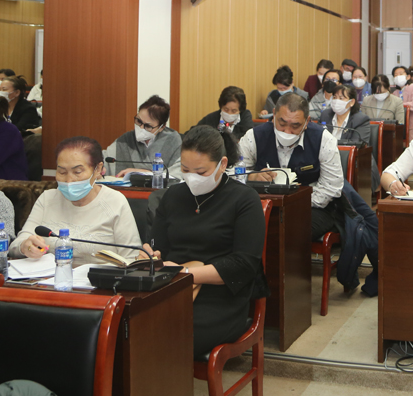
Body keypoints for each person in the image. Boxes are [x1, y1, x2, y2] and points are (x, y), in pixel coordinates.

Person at [146, 125, 267, 359]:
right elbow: (159, 249)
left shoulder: (244, 199)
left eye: (201, 172)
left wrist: (184, 273)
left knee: (166, 335)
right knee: (131, 327)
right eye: (185, 169)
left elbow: (243, 265)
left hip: (220, 297)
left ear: (222, 164)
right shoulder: (173, 196)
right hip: (173, 289)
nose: (192, 177)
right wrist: (150, 257)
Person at [10, 136, 141, 265]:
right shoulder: (47, 199)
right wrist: (25, 247)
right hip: (49, 276)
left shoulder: (115, 201)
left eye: (77, 172)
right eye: (62, 172)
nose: (69, 180)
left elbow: (132, 257)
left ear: (98, 169)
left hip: (98, 277)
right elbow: (16, 246)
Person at [240, 93, 344, 240]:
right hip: (262, 204)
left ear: (307, 122)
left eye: (295, 126)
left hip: (313, 208)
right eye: (282, 123)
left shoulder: (324, 140)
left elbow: (332, 187)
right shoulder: (253, 137)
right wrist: (251, 177)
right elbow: (235, 175)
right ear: (274, 114)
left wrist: (293, 202)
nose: (287, 131)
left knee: (288, 230)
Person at [106, 95, 182, 180]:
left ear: (162, 127)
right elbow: (105, 159)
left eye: (148, 126)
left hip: (160, 188)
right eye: (138, 121)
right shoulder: (127, 139)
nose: (141, 128)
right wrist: (99, 168)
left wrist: (144, 173)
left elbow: (178, 173)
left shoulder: (173, 140)